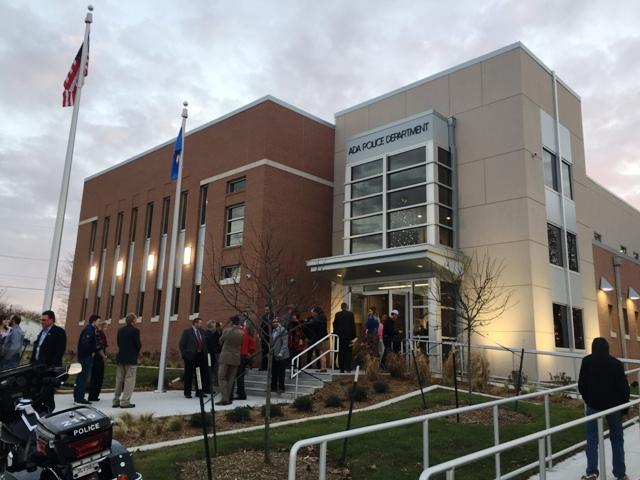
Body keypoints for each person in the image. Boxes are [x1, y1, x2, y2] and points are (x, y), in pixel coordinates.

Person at [578, 337, 630, 480]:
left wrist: (588, 399)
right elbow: (624, 389)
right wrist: (624, 410)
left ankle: (592, 472)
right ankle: (620, 473)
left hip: (593, 406)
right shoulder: (616, 364)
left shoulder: (587, 361)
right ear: (608, 348)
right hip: (614, 408)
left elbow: (581, 385)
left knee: (592, 438)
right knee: (617, 439)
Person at [32, 310, 67, 412]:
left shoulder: (59, 332)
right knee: (37, 393)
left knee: (47, 394)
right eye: (41, 320)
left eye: (44, 320)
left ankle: (48, 412)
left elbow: (59, 352)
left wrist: (52, 369)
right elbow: (37, 348)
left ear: (51, 320)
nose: (41, 322)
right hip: (37, 367)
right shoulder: (42, 332)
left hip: (48, 369)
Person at [113, 313, 141, 409]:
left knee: (119, 380)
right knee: (129, 380)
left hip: (121, 358)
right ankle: (125, 401)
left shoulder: (120, 330)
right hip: (131, 359)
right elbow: (138, 345)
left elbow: (118, 343)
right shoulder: (135, 331)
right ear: (133, 321)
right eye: (136, 319)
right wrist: (135, 353)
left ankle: (116, 400)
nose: (136, 321)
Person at [216, 315, 244, 405]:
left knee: (221, 377)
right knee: (231, 379)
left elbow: (220, 341)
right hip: (236, 357)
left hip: (226, 356)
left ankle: (224, 398)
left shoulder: (227, 330)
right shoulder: (241, 333)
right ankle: (228, 397)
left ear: (231, 322)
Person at [180, 317, 208, 398]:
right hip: (190, 357)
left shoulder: (202, 332)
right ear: (195, 323)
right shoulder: (187, 332)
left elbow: (204, 344)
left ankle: (199, 392)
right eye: (200, 323)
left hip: (200, 356)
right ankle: (187, 393)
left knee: (199, 375)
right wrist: (185, 355)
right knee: (189, 375)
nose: (201, 325)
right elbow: (182, 345)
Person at [74, 314, 99, 405]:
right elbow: (85, 344)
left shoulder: (90, 330)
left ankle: (77, 397)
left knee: (81, 377)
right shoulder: (89, 330)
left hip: (84, 357)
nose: (99, 323)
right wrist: (92, 352)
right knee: (83, 377)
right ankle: (80, 398)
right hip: (85, 357)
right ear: (94, 321)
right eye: (98, 321)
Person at [234, 317, 256, 400]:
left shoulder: (241, 332)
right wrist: (249, 352)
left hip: (239, 355)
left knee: (238, 375)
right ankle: (240, 392)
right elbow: (252, 345)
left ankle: (241, 393)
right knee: (240, 375)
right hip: (244, 355)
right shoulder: (247, 333)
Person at [88, 318, 108, 401]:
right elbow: (99, 347)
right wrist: (104, 356)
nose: (106, 329)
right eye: (106, 327)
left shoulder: (98, 333)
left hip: (96, 357)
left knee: (95, 377)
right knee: (97, 377)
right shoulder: (100, 334)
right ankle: (93, 395)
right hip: (98, 358)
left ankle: (93, 395)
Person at [333, 303, 355, 373]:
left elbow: (335, 324)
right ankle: (347, 367)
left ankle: (341, 368)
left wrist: (335, 333)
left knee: (341, 352)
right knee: (348, 352)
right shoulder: (350, 314)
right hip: (348, 336)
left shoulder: (337, 314)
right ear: (347, 307)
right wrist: (354, 336)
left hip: (340, 336)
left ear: (341, 307)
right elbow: (352, 325)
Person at [271, 316, 289, 393]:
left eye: (275, 322)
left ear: (279, 322)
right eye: (273, 322)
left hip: (282, 355)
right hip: (274, 354)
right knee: (274, 372)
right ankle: (273, 387)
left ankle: (281, 388)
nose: (274, 323)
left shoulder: (283, 330)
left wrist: (281, 353)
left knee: (281, 373)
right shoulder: (272, 331)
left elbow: (285, 343)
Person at [204, 320, 223, 386]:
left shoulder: (214, 334)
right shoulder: (207, 334)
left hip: (212, 355)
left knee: (211, 372)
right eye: (215, 326)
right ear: (211, 327)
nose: (216, 327)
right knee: (207, 372)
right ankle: (206, 388)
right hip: (208, 356)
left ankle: (209, 387)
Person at [260, 306, 274, 370]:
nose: (266, 311)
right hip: (264, 337)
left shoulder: (273, 316)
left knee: (270, 352)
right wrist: (260, 334)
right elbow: (261, 326)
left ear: (270, 310)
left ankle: (270, 367)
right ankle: (263, 366)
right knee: (264, 351)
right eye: (265, 310)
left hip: (271, 337)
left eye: (267, 310)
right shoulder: (263, 317)